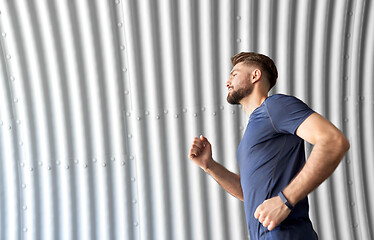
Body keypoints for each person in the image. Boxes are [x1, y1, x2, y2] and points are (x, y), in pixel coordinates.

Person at [188, 52, 350, 240]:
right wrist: (210, 166)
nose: (227, 82)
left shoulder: (275, 107)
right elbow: (249, 193)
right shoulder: (255, 127)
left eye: (234, 74)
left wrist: (285, 200)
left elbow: (333, 141)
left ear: (255, 75)